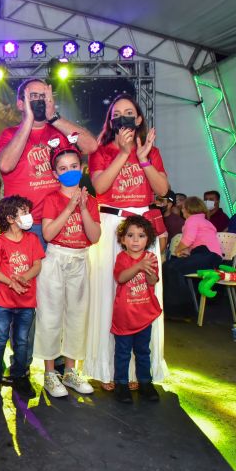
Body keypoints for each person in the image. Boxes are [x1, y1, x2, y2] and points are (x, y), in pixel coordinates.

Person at [86, 93, 170, 390]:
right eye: (116, 113)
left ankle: (140, 371)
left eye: (129, 112)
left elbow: (161, 189)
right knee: (109, 294)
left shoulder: (151, 150)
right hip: (111, 225)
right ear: (111, 120)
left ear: (138, 119)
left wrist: (143, 158)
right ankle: (108, 368)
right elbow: (99, 187)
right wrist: (123, 152)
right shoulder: (101, 152)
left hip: (142, 227)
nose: (123, 117)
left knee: (142, 295)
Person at [0, 78, 98, 247]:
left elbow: (91, 146)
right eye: (33, 96)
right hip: (25, 223)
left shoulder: (61, 131)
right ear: (21, 104)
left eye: (43, 96)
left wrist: (54, 117)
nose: (39, 101)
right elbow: (5, 165)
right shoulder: (10, 134)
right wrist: (29, 120)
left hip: (61, 218)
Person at [36, 142, 101, 397]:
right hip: (56, 259)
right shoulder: (51, 199)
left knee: (77, 315)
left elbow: (94, 236)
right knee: (50, 315)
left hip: (80, 259)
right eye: (63, 168)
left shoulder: (91, 201)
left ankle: (71, 371)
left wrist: (83, 207)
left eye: (74, 166)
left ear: (82, 167)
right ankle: (50, 373)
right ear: (55, 173)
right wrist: (70, 207)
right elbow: (49, 234)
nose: (69, 171)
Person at [0, 195, 44, 399]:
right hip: (3, 302)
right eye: (24, 212)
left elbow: (37, 264)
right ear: (10, 218)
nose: (29, 216)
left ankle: (20, 377)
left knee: (22, 341)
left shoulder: (33, 240)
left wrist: (24, 278)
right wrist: (12, 282)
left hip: (26, 302)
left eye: (28, 211)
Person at [111, 216, 162, 403]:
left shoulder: (151, 258)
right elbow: (122, 277)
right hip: (124, 316)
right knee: (123, 352)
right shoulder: (122, 258)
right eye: (130, 235)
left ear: (147, 239)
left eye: (141, 236)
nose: (135, 240)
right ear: (123, 239)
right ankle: (121, 384)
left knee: (143, 351)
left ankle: (145, 383)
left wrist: (147, 270)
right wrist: (139, 266)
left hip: (143, 316)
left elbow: (152, 282)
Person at [163, 197, 223, 311]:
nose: (182, 211)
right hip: (210, 256)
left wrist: (177, 251)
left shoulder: (192, 220)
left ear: (187, 209)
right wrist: (186, 251)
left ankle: (181, 309)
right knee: (169, 266)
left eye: (183, 208)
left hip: (207, 255)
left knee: (171, 267)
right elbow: (196, 242)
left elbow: (188, 240)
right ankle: (179, 307)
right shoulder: (204, 221)